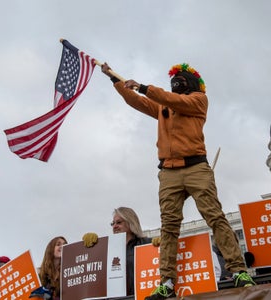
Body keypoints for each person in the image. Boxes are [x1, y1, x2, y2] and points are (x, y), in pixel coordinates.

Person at [101, 62, 256, 299]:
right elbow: (138, 102)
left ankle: (238, 271)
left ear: (192, 84)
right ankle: (167, 282)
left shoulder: (199, 100)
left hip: (196, 167)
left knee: (215, 217)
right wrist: (116, 81)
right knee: (169, 227)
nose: (176, 83)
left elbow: (175, 101)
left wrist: (144, 87)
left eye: (181, 80)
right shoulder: (165, 106)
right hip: (169, 171)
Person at [83, 207, 151, 296]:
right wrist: (92, 247)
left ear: (130, 222)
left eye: (119, 222)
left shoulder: (147, 244)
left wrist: (161, 246)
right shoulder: (108, 249)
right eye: (113, 223)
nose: (114, 226)